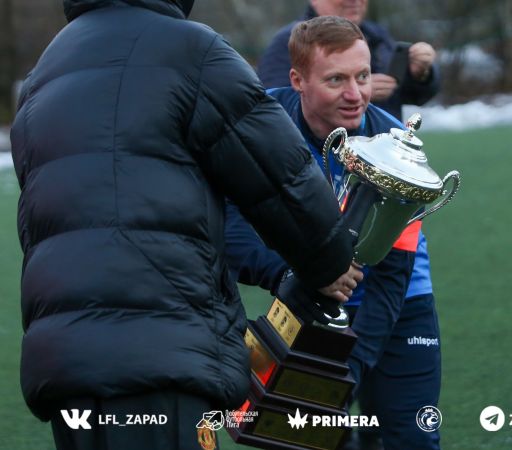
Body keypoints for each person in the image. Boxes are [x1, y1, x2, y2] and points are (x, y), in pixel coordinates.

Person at [9, 2, 361, 450]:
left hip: (64, 360)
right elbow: (278, 173)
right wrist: (328, 259)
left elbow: (36, 219)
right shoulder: (189, 49)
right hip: (161, 348)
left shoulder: (44, 72)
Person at [226, 16, 441, 450]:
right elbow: (229, 226)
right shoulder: (262, 126)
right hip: (309, 302)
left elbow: (393, 275)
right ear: (297, 80)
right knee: (305, 441)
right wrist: (291, 275)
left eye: (363, 76)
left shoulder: (393, 141)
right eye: (336, 79)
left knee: (411, 440)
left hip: (398, 305)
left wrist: (350, 371)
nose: (355, 94)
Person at [257, 0, 440, 121]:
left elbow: (415, 95)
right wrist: (359, 92)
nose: (355, 0)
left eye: (362, 76)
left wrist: (420, 74)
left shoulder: (376, 35)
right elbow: (272, 108)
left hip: (384, 153)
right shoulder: (289, 41)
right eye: (336, 78)